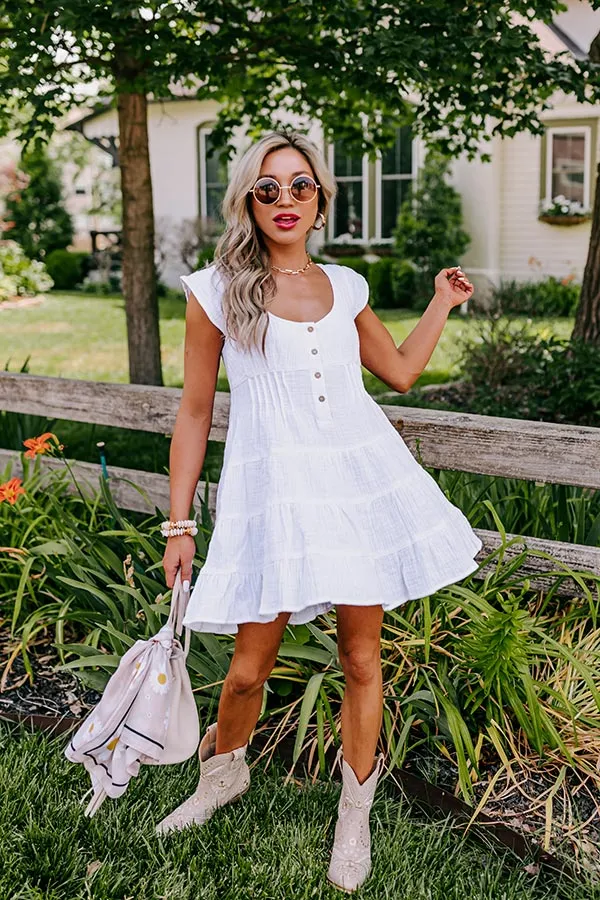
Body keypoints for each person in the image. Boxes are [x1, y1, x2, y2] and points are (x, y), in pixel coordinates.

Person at [157, 129, 482, 892]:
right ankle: (220, 778)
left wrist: (440, 301)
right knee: (245, 671)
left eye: (299, 186)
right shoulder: (215, 291)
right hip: (274, 496)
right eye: (267, 188)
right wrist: (179, 523)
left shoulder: (349, 286)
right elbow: (195, 412)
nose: (284, 200)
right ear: (246, 200)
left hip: (357, 488)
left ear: (321, 200)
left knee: (361, 658)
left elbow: (399, 372)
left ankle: (354, 813)